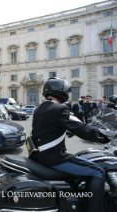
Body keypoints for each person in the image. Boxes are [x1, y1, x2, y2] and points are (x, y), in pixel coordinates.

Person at [29, 77, 110, 212]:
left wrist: (65, 130)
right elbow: (81, 128)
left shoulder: (40, 108)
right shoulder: (59, 108)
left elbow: (48, 128)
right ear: (63, 93)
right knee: (98, 171)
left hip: (38, 154)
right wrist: (103, 137)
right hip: (53, 157)